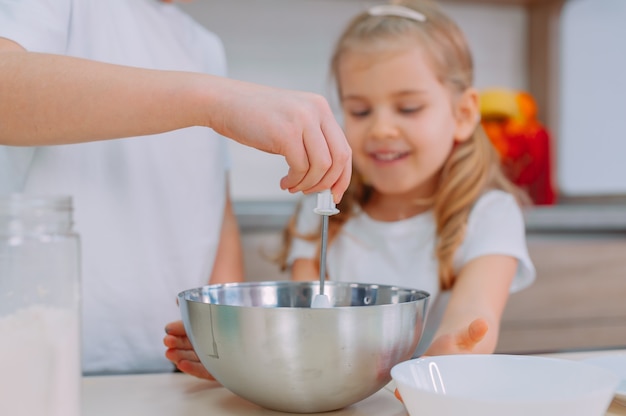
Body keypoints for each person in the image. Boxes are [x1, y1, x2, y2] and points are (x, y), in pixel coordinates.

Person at [164, 0, 535, 380]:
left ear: (464, 114)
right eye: (359, 111)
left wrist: (447, 363)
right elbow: (305, 334)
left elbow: (473, 315)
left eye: (408, 108)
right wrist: (244, 360)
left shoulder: (489, 215)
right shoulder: (321, 209)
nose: (381, 129)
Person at [0, 0, 350, 375]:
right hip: (33, 372)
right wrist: (216, 100)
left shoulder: (203, 47)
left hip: (162, 375)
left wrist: (223, 340)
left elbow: (216, 211)